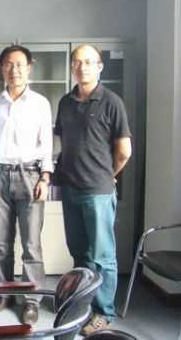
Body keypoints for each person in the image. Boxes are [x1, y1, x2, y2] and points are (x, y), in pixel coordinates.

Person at [54, 44, 132, 336]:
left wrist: (107, 175)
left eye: (89, 62)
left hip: (97, 191)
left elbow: (124, 151)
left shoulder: (112, 101)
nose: (82, 67)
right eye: (77, 62)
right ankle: (82, 304)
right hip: (70, 189)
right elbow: (64, 142)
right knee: (79, 253)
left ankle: (103, 312)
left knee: (102, 256)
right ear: (72, 67)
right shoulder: (65, 102)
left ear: (100, 66)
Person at [0, 45, 53, 324]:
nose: (14, 70)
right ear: (2, 68)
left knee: (31, 244)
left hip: (31, 175)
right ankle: (4, 292)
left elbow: (46, 144)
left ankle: (30, 300)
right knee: (2, 242)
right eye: (8, 64)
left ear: (29, 67)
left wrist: (45, 177)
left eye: (19, 64)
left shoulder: (40, 103)